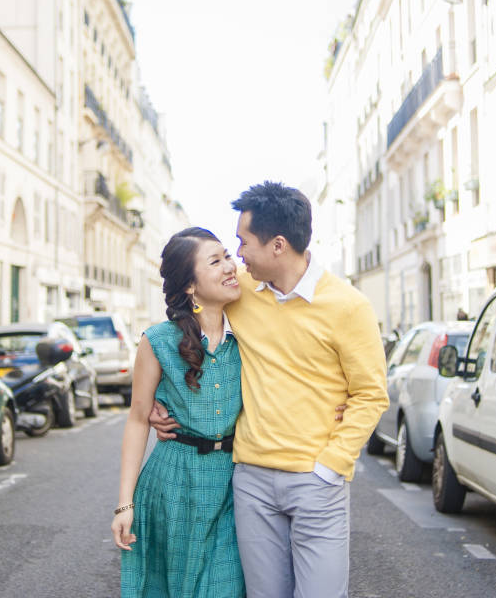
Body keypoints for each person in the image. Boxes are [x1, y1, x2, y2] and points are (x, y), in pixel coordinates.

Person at [153, 182, 388, 598]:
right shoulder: (239, 291)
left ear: (278, 245)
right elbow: (186, 322)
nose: (236, 255)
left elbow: (371, 394)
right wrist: (162, 398)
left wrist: (332, 464)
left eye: (243, 243)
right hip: (251, 482)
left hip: (316, 480)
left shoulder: (349, 307)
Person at [112, 227, 246, 597]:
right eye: (215, 261)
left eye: (228, 256)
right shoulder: (157, 341)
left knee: (225, 585)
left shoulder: (251, 329)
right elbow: (139, 419)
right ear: (189, 285)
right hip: (173, 482)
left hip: (235, 481)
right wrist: (124, 504)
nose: (230, 266)